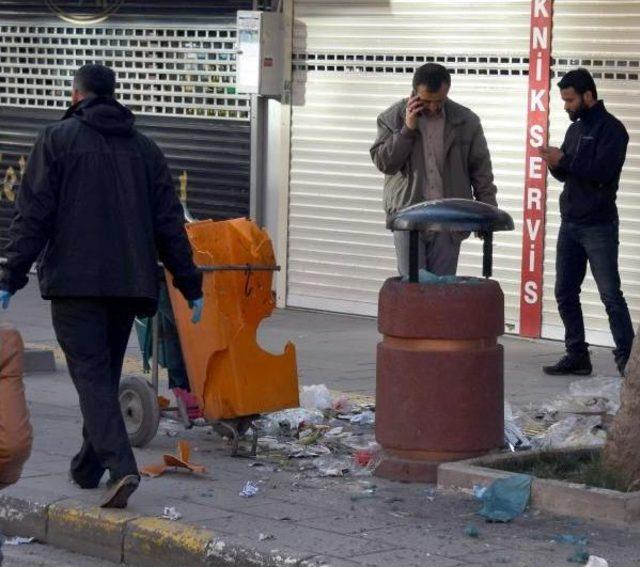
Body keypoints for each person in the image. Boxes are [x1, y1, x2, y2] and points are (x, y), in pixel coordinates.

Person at [0, 64, 204, 508]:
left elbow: (33, 215)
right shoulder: (145, 149)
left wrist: (10, 276)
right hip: (129, 284)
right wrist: (190, 284)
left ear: (76, 94)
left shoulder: (56, 140)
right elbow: (170, 222)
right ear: (113, 94)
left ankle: (121, 467)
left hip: (76, 284)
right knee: (103, 374)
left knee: (91, 376)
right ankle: (87, 466)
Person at [541, 68, 634, 377]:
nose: (566, 106)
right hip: (571, 223)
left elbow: (602, 172)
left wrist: (564, 160)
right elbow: (570, 173)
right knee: (565, 292)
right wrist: (554, 162)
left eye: (569, 100)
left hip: (599, 225)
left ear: (588, 96)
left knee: (611, 296)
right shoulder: (575, 130)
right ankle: (577, 355)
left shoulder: (613, 130)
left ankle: (629, 364)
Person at [370, 63, 498, 277]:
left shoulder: (466, 121)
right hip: (408, 219)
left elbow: (481, 170)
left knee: (442, 291)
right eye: (426, 101)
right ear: (414, 92)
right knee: (412, 290)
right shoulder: (392, 118)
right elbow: (385, 163)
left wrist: (487, 213)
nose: (433, 107)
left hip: (449, 221)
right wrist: (407, 129)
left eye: (439, 100)